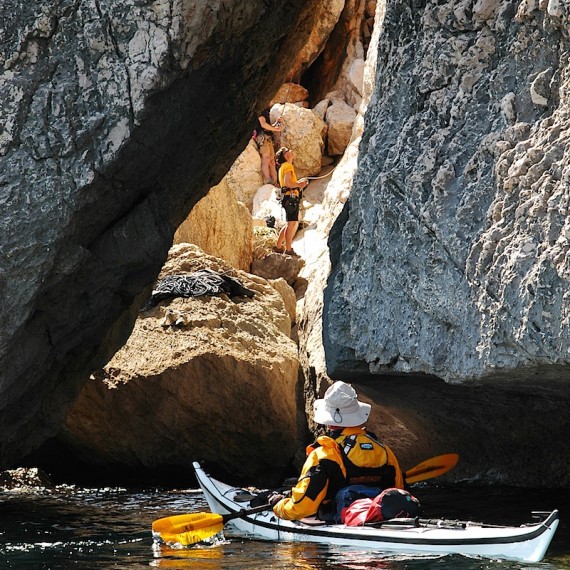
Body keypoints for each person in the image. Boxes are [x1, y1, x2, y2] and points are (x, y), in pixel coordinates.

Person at [270, 381, 404, 521]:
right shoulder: (384, 451)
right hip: (380, 519)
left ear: (329, 421)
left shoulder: (324, 454)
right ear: (356, 414)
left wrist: (280, 506)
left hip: (337, 522)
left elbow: (302, 508)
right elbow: (399, 493)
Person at [274, 146, 308, 256]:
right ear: (285, 156)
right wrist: (299, 184)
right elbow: (288, 183)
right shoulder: (288, 166)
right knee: (291, 225)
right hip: (291, 198)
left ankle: (278, 246)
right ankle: (288, 250)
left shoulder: (283, 167)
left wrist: (298, 184)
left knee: (289, 223)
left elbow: (287, 184)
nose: (290, 150)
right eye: (287, 150)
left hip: (287, 198)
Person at [254, 109, 282, 185]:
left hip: (268, 137)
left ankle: (275, 181)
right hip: (262, 136)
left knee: (272, 161)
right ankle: (267, 179)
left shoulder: (266, 111)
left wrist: (277, 122)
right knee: (266, 158)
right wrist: (276, 129)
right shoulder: (260, 110)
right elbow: (263, 124)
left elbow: (267, 127)